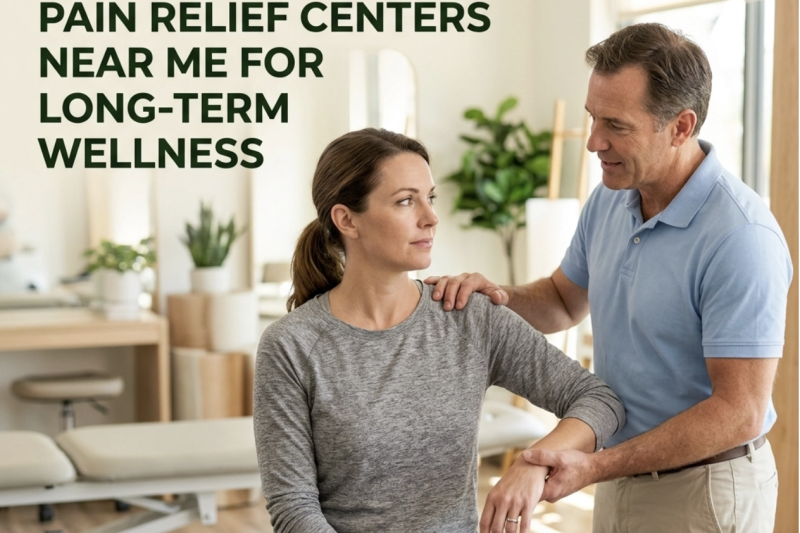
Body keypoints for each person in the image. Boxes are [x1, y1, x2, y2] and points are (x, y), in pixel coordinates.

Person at [426, 23, 792, 533]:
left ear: (681, 127)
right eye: (593, 117)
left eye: (616, 125)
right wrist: (499, 296)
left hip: (705, 491)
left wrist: (593, 466)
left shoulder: (741, 236)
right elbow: (561, 300)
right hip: (624, 474)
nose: (595, 141)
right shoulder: (611, 197)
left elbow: (739, 412)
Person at [253, 128, 625, 533]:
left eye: (430, 198)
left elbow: (599, 400)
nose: (430, 218)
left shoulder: (466, 317)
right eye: (405, 201)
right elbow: (293, 507)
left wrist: (533, 463)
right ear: (346, 219)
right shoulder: (291, 346)